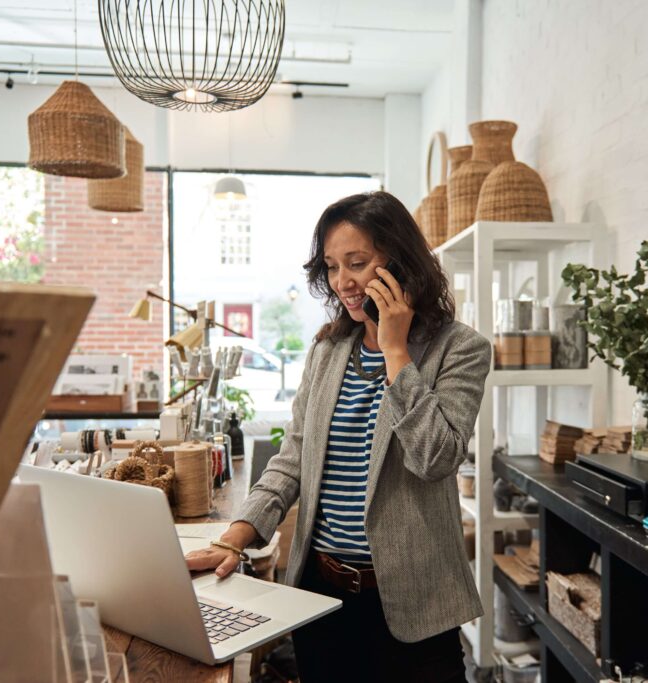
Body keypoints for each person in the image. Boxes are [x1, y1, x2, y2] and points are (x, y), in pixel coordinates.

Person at [186, 191, 492, 682]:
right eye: (331, 266)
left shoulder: (460, 349)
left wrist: (395, 350)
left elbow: (436, 457)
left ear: (399, 262)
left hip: (415, 606)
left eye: (357, 262)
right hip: (321, 597)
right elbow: (294, 458)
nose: (342, 282)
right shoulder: (328, 351)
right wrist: (236, 538)